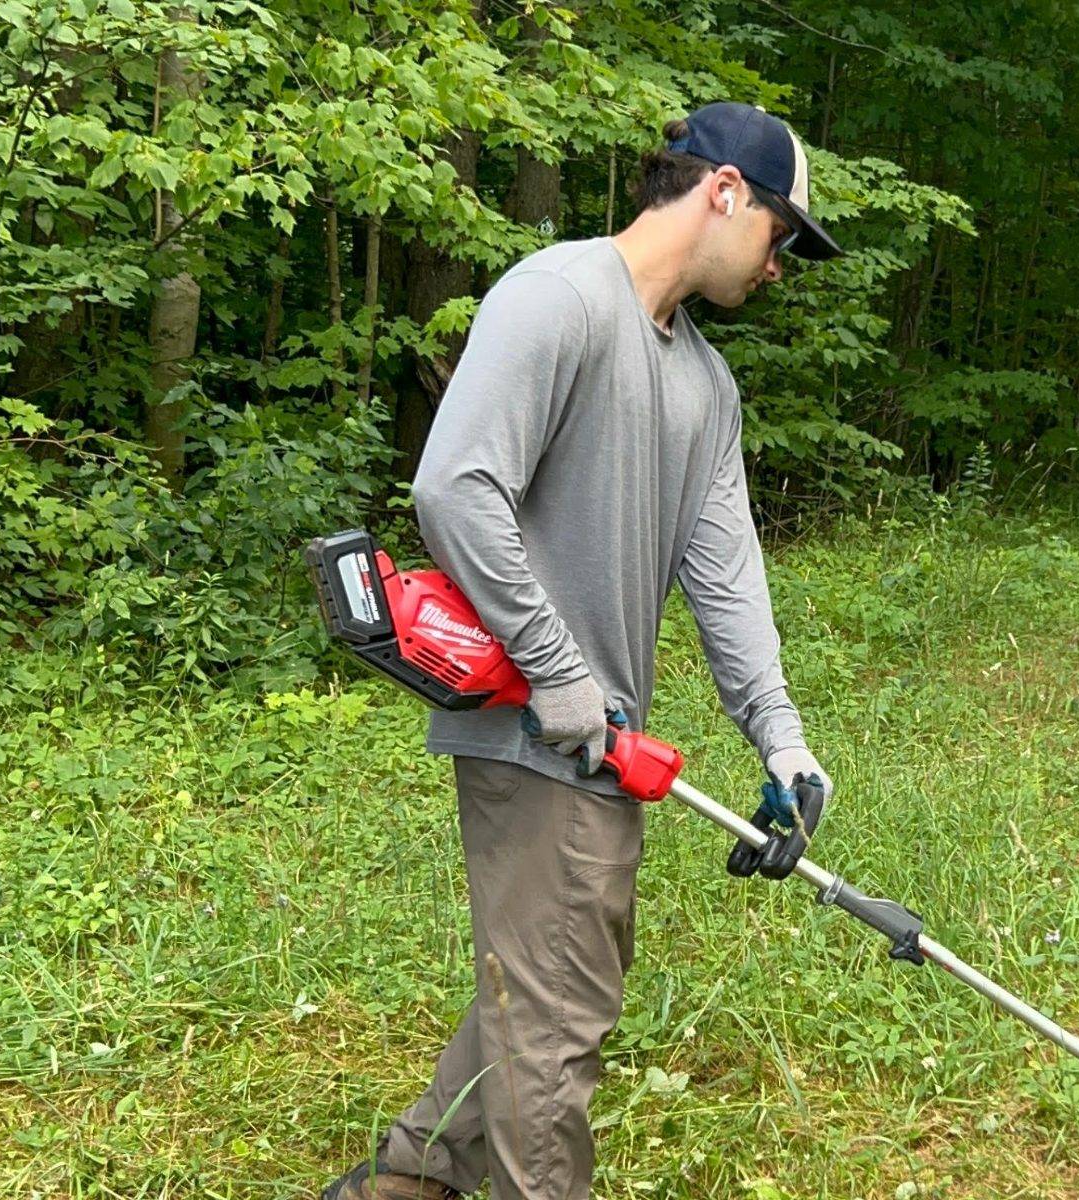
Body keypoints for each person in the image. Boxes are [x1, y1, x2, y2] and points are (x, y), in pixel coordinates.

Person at [323, 100, 843, 1200]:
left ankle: (410, 1178)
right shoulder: (558, 297)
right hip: (533, 726)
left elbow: (726, 575)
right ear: (724, 193)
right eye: (782, 235)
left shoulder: (706, 383)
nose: (779, 266)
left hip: (602, 739)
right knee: (559, 1016)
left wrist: (783, 739)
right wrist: (559, 671)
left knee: (544, 984)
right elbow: (455, 488)